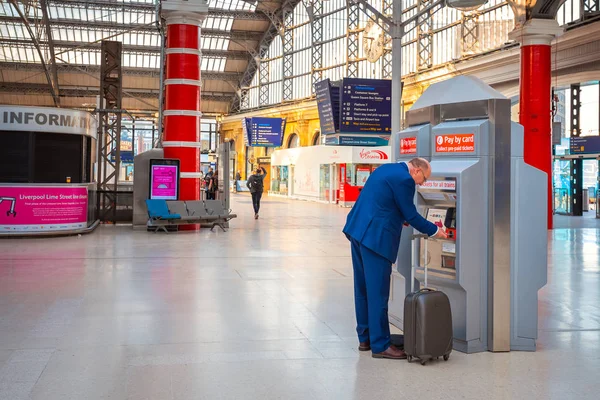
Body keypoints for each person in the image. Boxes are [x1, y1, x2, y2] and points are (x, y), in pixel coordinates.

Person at [342, 158, 447, 360]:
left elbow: (383, 202)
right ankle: (381, 345)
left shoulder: (387, 169)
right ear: (416, 170)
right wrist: (435, 231)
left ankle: (366, 338)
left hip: (358, 231)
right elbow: (411, 213)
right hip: (375, 238)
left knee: (362, 289)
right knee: (378, 293)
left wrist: (401, 219)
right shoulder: (405, 180)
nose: (421, 184)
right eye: (423, 179)